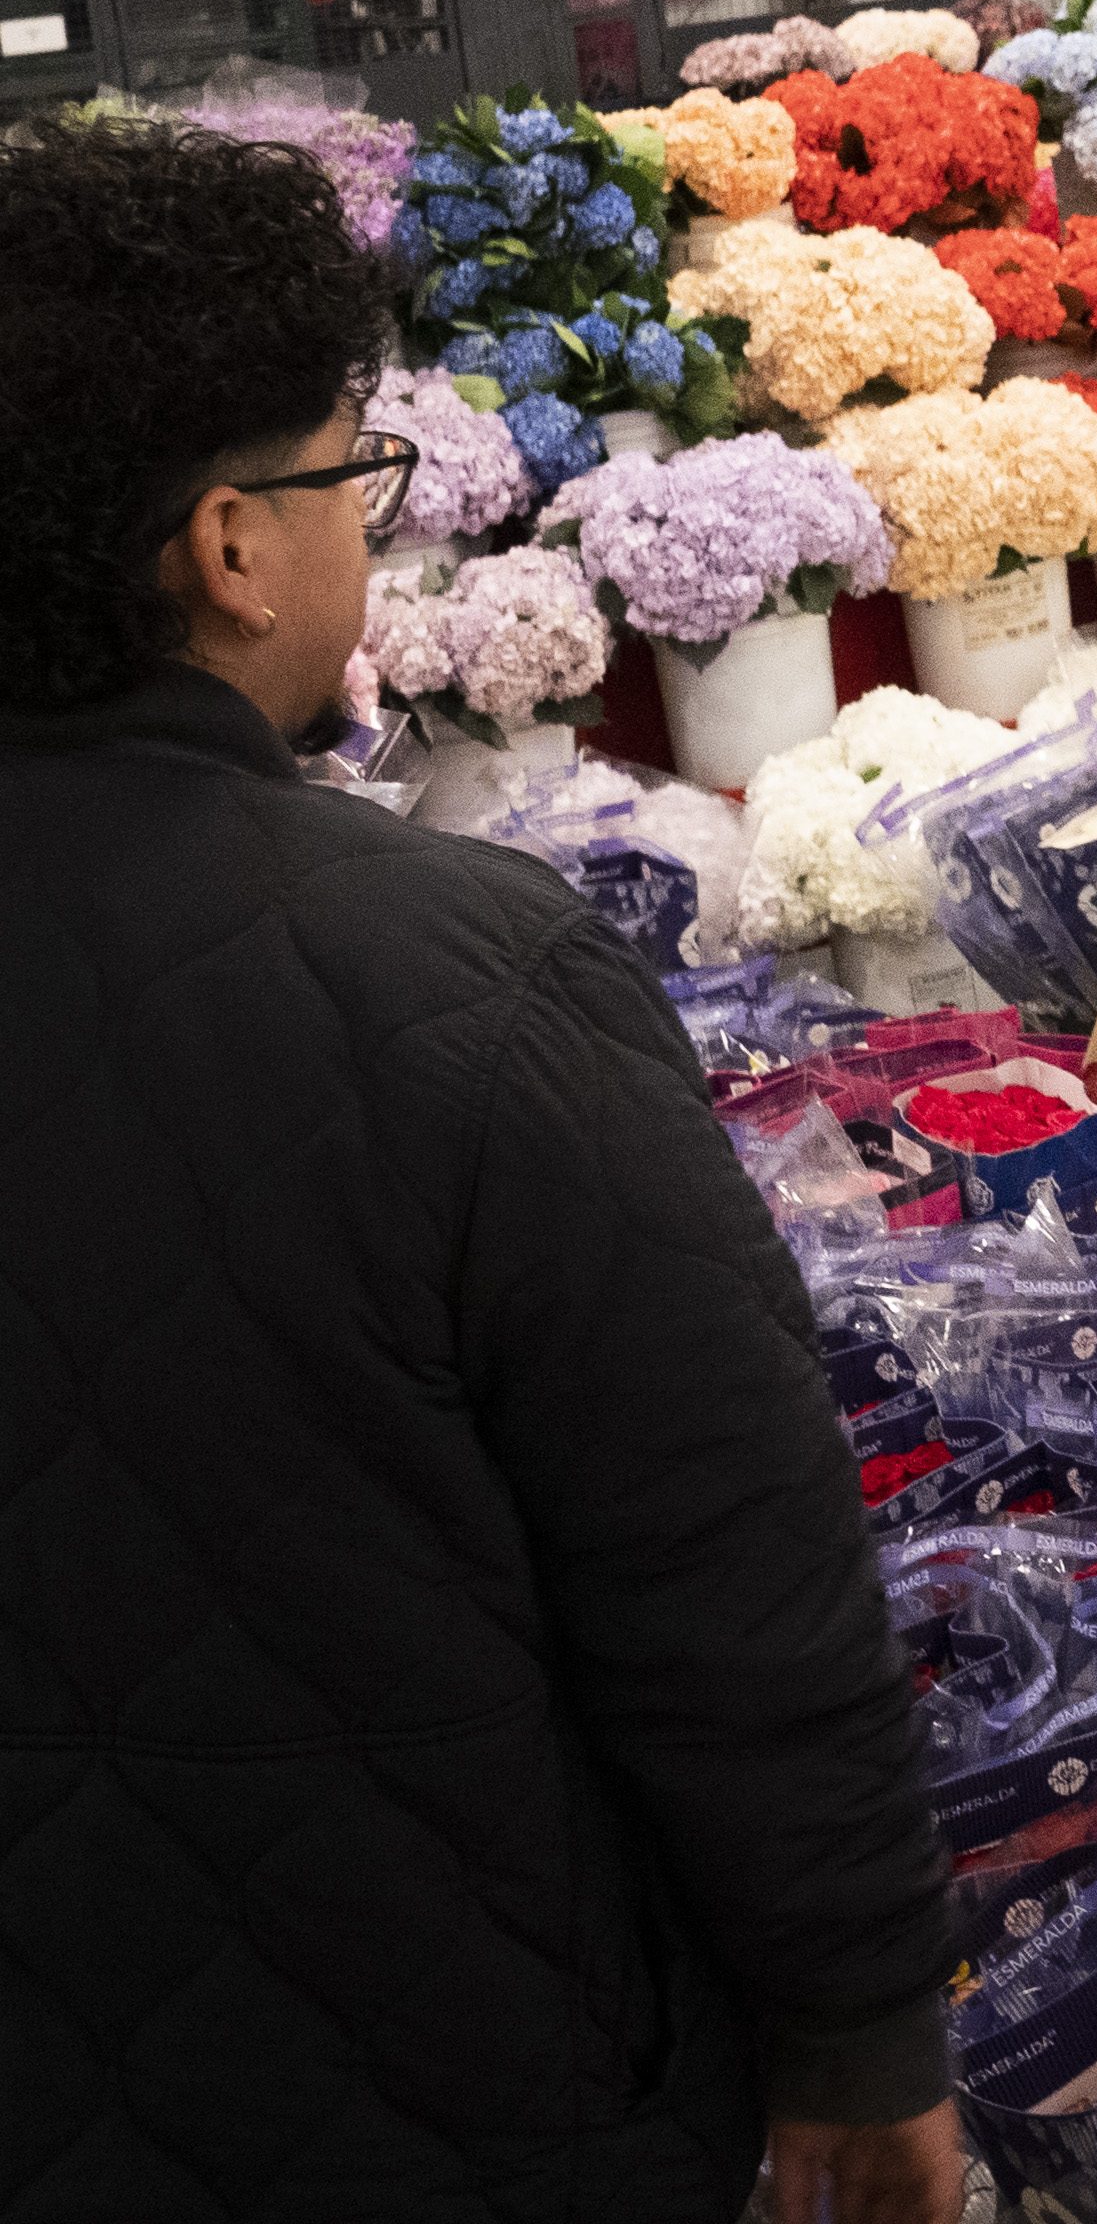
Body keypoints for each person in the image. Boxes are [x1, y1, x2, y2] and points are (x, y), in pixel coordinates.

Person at [0, 116, 961, 2224]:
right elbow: (720, 1575)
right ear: (231, 549)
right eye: (357, 473)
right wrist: (863, 2021)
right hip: (442, 2068)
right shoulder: (466, 984)